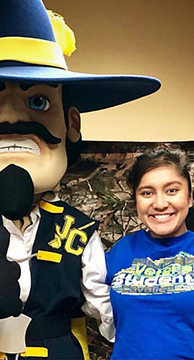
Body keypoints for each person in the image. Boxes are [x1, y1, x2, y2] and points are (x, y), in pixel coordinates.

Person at [0, 0, 161, 359]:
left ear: (72, 125)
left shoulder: (78, 229)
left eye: (38, 101)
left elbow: (108, 312)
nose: (13, 118)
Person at [105, 146, 194, 360]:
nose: (160, 204)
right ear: (136, 201)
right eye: (147, 193)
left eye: (172, 190)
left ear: (190, 198)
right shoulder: (122, 250)